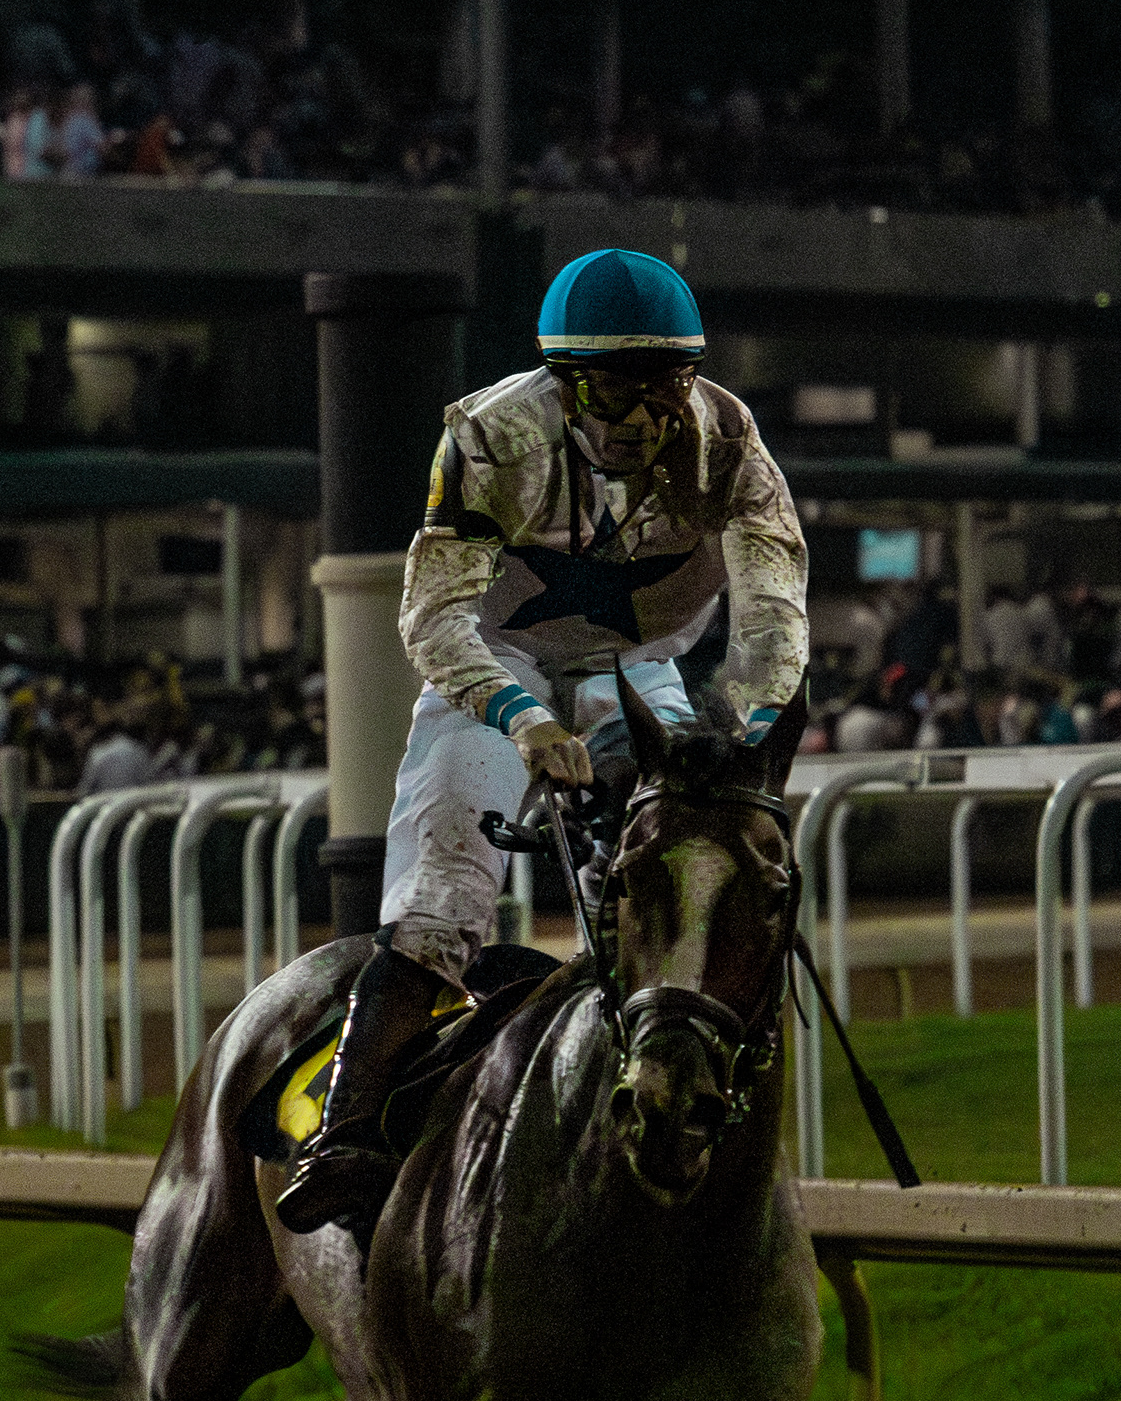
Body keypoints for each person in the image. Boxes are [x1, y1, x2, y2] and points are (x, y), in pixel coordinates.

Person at [277, 246, 811, 1234]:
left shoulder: (729, 436)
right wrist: (518, 720)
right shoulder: (489, 435)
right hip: (498, 662)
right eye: (618, 390)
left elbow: (775, 598)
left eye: (666, 387)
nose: (646, 419)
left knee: (689, 856)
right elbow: (435, 613)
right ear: (565, 387)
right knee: (445, 884)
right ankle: (344, 1129)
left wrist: (760, 717)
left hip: (640, 665)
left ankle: (692, 1078)